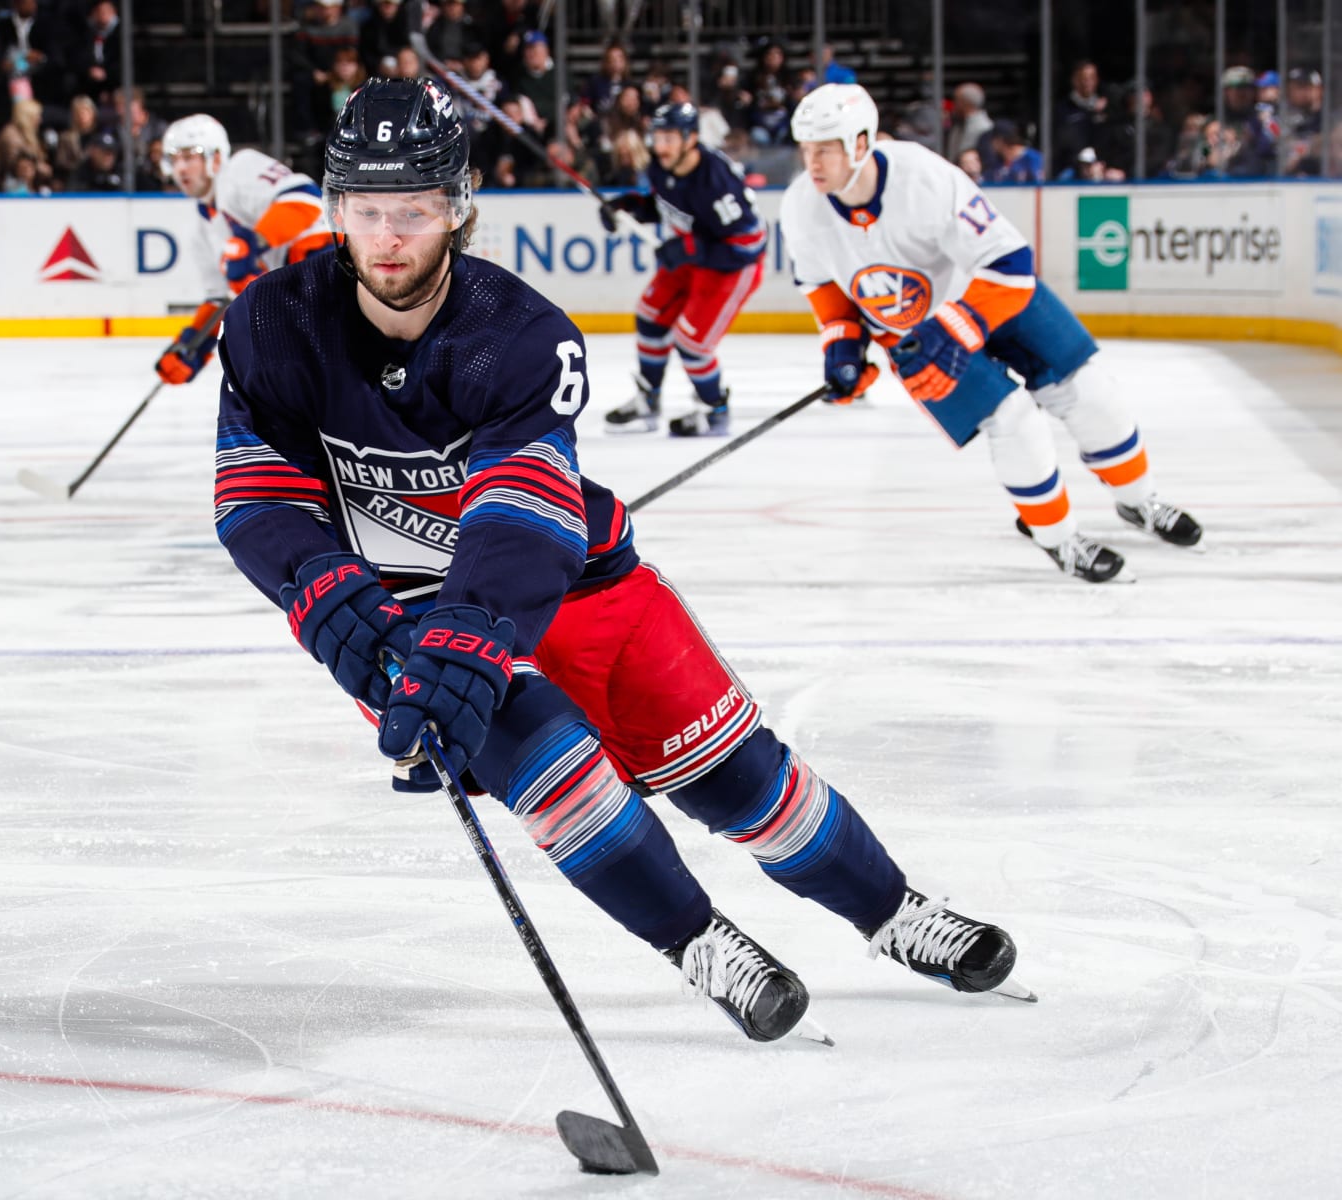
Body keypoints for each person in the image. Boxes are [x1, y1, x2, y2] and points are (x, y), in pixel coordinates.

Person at [212, 77, 1027, 1045]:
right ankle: (699, 943)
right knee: (557, 778)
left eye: (416, 211)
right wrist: (324, 593)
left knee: (738, 780)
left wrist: (474, 627)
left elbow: (525, 509)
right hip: (405, 615)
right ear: (337, 206)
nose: (389, 237)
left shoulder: (516, 334)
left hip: (567, 587)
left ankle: (893, 915)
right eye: (368, 210)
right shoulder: (272, 322)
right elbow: (256, 489)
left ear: (458, 206)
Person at [780, 83, 1203, 582]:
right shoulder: (800, 208)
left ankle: (1139, 502)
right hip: (915, 338)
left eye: (825, 148)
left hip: (991, 297)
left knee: (1091, 394)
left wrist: (956, 325)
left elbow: (1011, 265)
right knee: (1014, 421)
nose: (813, 162)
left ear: (860, 142)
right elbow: (825, 291)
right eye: (806, 149)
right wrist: (843, 349)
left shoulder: (924, 177)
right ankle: (1059, 539)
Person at [598, 100, 766, 437]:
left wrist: (688, 247)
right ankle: (649, 400)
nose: (661, 147)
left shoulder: (717, 179)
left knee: (692, 343)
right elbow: (667, 206)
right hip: (696, 255)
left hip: (732, 266)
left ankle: (715, 409)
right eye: (657, 138)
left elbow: (746, 243)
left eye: (670, 138)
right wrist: (629, 205)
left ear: (690, 139)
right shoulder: (664, 166)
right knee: (650, 314)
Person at [153, 113, 332, 388]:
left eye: (189, 157)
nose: (180, 169)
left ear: (214, 157)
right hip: (295, 298)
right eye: (174, 160)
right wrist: (191, 347)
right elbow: (218, 301)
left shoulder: (239, 168)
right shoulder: (201, 230)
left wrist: (253, 242)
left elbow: (304, 198)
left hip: (328, 265)